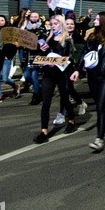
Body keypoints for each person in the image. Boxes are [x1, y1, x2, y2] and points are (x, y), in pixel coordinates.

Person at [71, 11, 105, 152]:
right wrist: (77, 70)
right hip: (93, 77)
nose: (94, 21)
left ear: (104, 22)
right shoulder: (92, 37)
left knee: (100, 107)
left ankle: (99, 139)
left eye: (97, 19)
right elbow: (84, 55)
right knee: (102, 108)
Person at [33, 14, 77, 144]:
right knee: (46, 102)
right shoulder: (48, 39)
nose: (53, 26)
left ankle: (71, 121)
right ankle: (44, 131)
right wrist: (42, 51)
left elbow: (68, 58)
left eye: (56, 24)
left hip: (62, 74)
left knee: (65, 98)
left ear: (61, 24)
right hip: (49, 74)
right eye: (51, 24)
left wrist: (56, 61)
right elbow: (43, 56)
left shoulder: (67, 40)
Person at [0, 14, 20, 104]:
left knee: (5, 78)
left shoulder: (10, 31)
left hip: (6, 56)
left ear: (5, 21)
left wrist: (10, 55)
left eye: (2, 20)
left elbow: (14, 45)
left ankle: (15, 85)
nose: (0, 22)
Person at [20, 10, 47, 105]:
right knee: (27, 76)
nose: (34, 18)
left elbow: (43, 39)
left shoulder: (41, 27)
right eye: (32, 16)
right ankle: (38, 87)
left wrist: (36, 31)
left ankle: (36, 95)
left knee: (34, 75)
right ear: (30, 17)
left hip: (37, 54)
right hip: (27, 55)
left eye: (36, 16)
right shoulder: (25, 27)